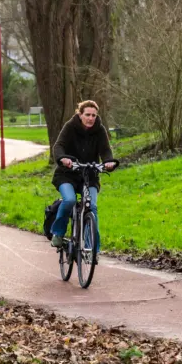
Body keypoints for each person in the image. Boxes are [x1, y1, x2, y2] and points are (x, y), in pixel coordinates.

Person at [50, 100, 116, 251]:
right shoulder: (70, 126)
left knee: (92, 206)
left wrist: (108, 162)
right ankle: (58, 233)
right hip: (67, 174)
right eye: (87, 115)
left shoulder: (100, 130)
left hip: (89, 175)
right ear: (80, 115)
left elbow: (105, 150)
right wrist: (63, 158)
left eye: (93, 115)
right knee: (69, 200)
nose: (91, 118)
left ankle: (92, 248)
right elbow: (59, 146)